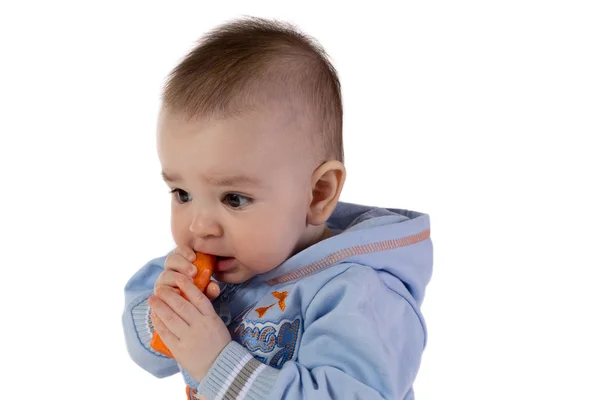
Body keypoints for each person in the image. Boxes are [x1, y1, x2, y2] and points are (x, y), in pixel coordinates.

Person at [122, 16, 433, 400]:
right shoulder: (233, 260)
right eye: (182, 193)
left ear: (317, 194)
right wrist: (166, 311)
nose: (200, 226)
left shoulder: (361, 296)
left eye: (234, 198)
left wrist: (216, 363)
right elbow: (147, 352)